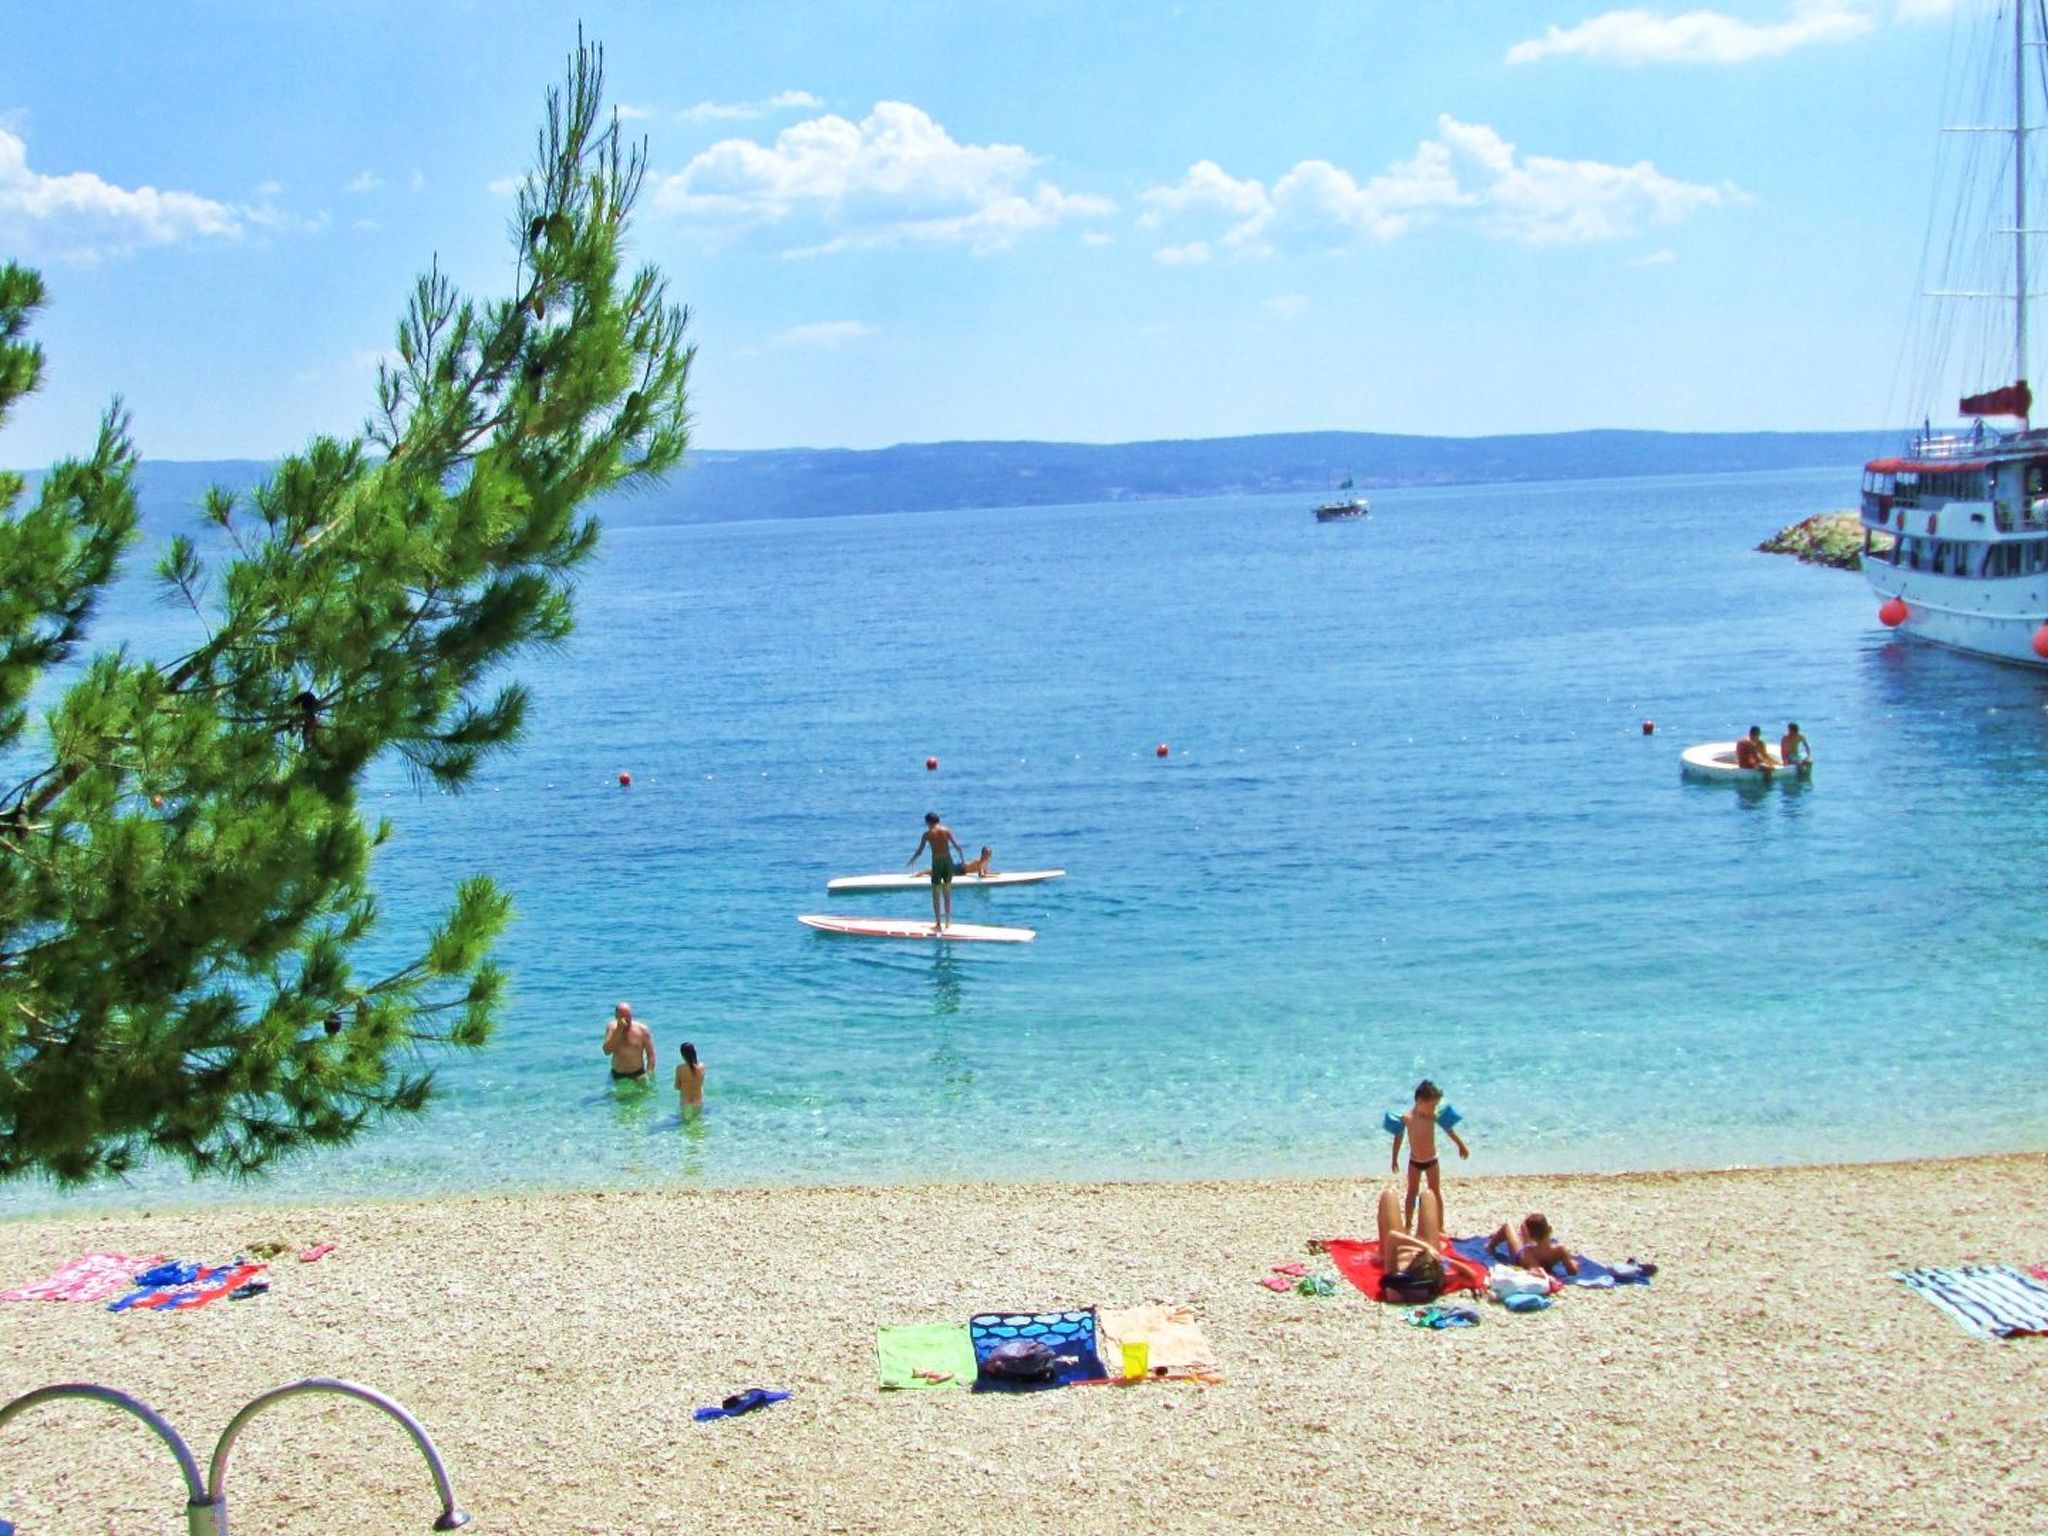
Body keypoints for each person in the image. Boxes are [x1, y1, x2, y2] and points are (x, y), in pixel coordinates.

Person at [1390, 1079, 1469, 1231]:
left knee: (1435, 1192)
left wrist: (1461, 1145)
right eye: (1432, 1105)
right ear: (1420, 1101)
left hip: (1432, 1160)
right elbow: (1398, 1138)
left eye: (1436, 1105)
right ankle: (1408, 1224)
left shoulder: (1434, 1116)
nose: (1434, 1108)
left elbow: (1449, 1130)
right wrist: (1394, 1159)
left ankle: (1440, 1225)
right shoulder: (1407, 1119)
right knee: (1411, 1192)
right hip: (1414, 1161)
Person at [1375, 1184, 1445, 1301]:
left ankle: (1382, 1252)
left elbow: (1392, 1237)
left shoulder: (1396, 1276)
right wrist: (1445, 1260)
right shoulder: (1432, 1277)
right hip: (1427, 1247)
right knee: (1428, 1195)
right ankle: (1411, 1214)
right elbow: (1471, 1276)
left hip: (1400, 1248)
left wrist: (1424, 1246)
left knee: (1388, 1194)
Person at [909, 811, 965, 929]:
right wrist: (962, 860)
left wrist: (912, 860)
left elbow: (920, 851)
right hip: (948, 861)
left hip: (937, 862)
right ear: (938, 821)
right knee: (947, 891)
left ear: (928, 822)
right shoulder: (946, 831)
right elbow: (957, 847)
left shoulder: (927, 834)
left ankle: (938, 923)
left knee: (936, 893)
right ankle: (948, 922)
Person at [1486, 1212, 1579, 1277]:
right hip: (1531, 1250)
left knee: (1507, 1226)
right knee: (1518, 1234)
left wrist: (1527, 1240)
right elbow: (1572, 1271)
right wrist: (1573, 1263)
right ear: (1550, 1230)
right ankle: (1521, 1234)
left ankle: (1490, 1246)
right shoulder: (1560, 1250)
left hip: (1521, 1256)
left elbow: (1536, 1270)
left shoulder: (1528, 1253)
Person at [603, 1001, 655, 1082]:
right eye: (623, 1016)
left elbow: (651, 1054)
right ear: (616, 1016)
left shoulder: (642, 1030)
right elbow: (607, 1051)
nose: (626, 1019)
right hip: (617, 1074)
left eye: (628, 1016)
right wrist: (618, 1030)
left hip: (638, 1073)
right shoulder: (611, 1028)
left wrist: (649, 1074)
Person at [674, 1040, 705, 1110]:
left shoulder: (680, 1068)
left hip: (685, 1102)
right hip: (698, 1101)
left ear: (682, 1055)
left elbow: (677, 1087)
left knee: (684, 1121)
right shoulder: (702, 1066)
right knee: (698, 1120)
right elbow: (701, 1083)